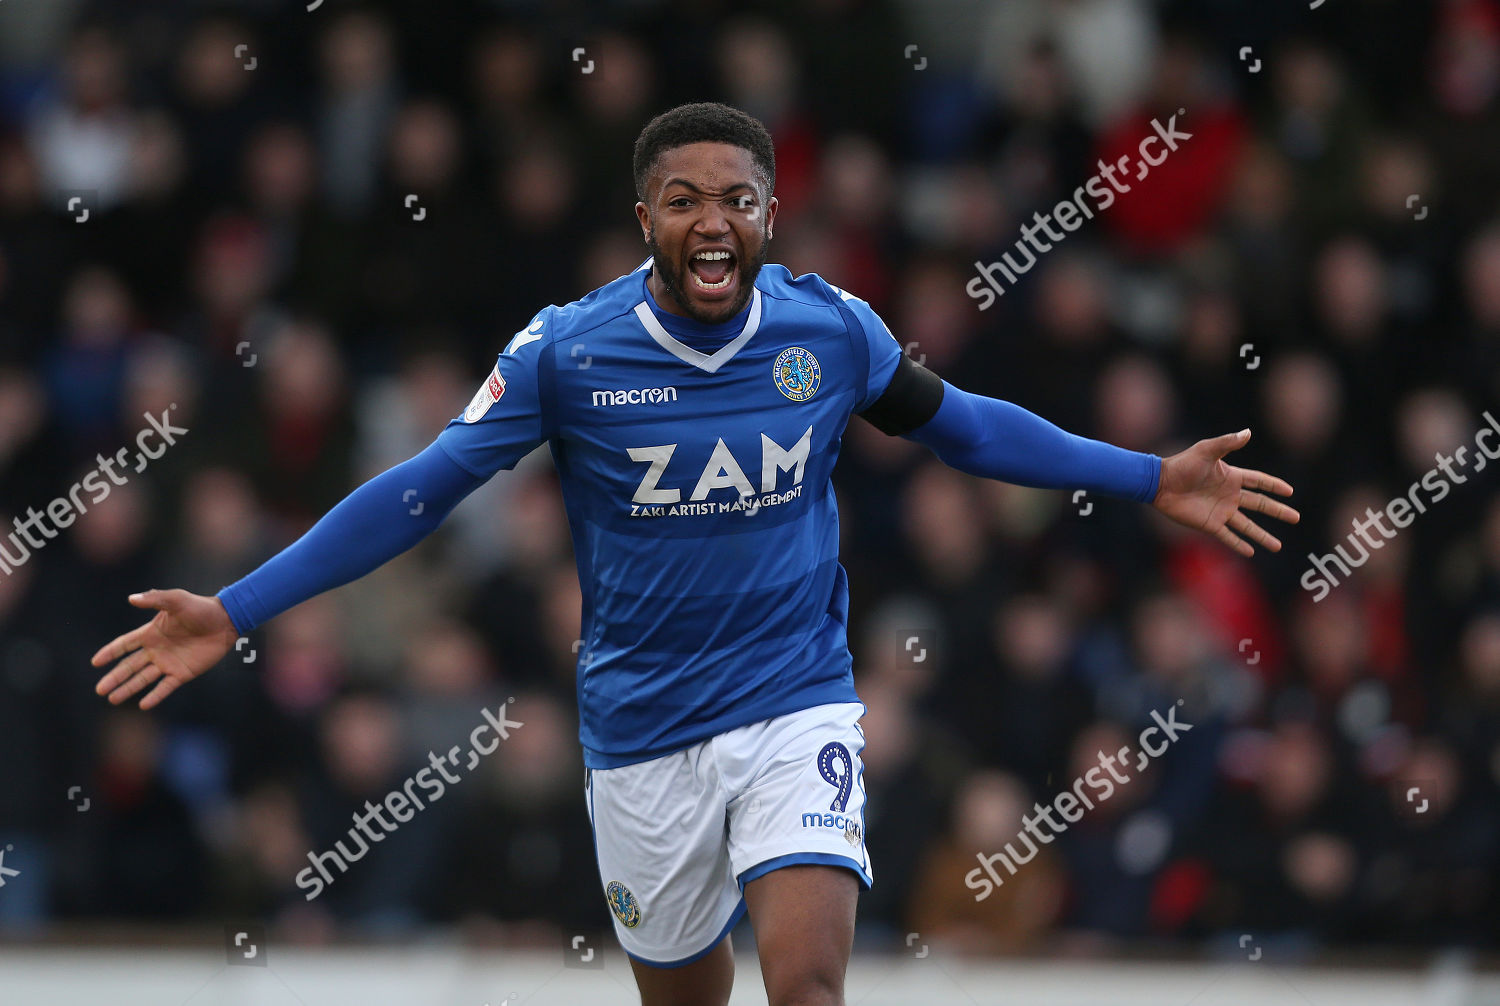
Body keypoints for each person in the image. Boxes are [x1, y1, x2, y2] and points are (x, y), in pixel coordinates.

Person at [92, 102, 1298, 1006]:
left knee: (810, 983)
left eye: (738, 197)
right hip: (641, 731)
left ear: (771, 213)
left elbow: (969, 430)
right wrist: (240, 608)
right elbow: (422, 491)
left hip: (794, 701)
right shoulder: (569, 350)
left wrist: (1149, 476)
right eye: (684, 198)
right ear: (646, 219)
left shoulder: (833, 332)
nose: (713, 220)